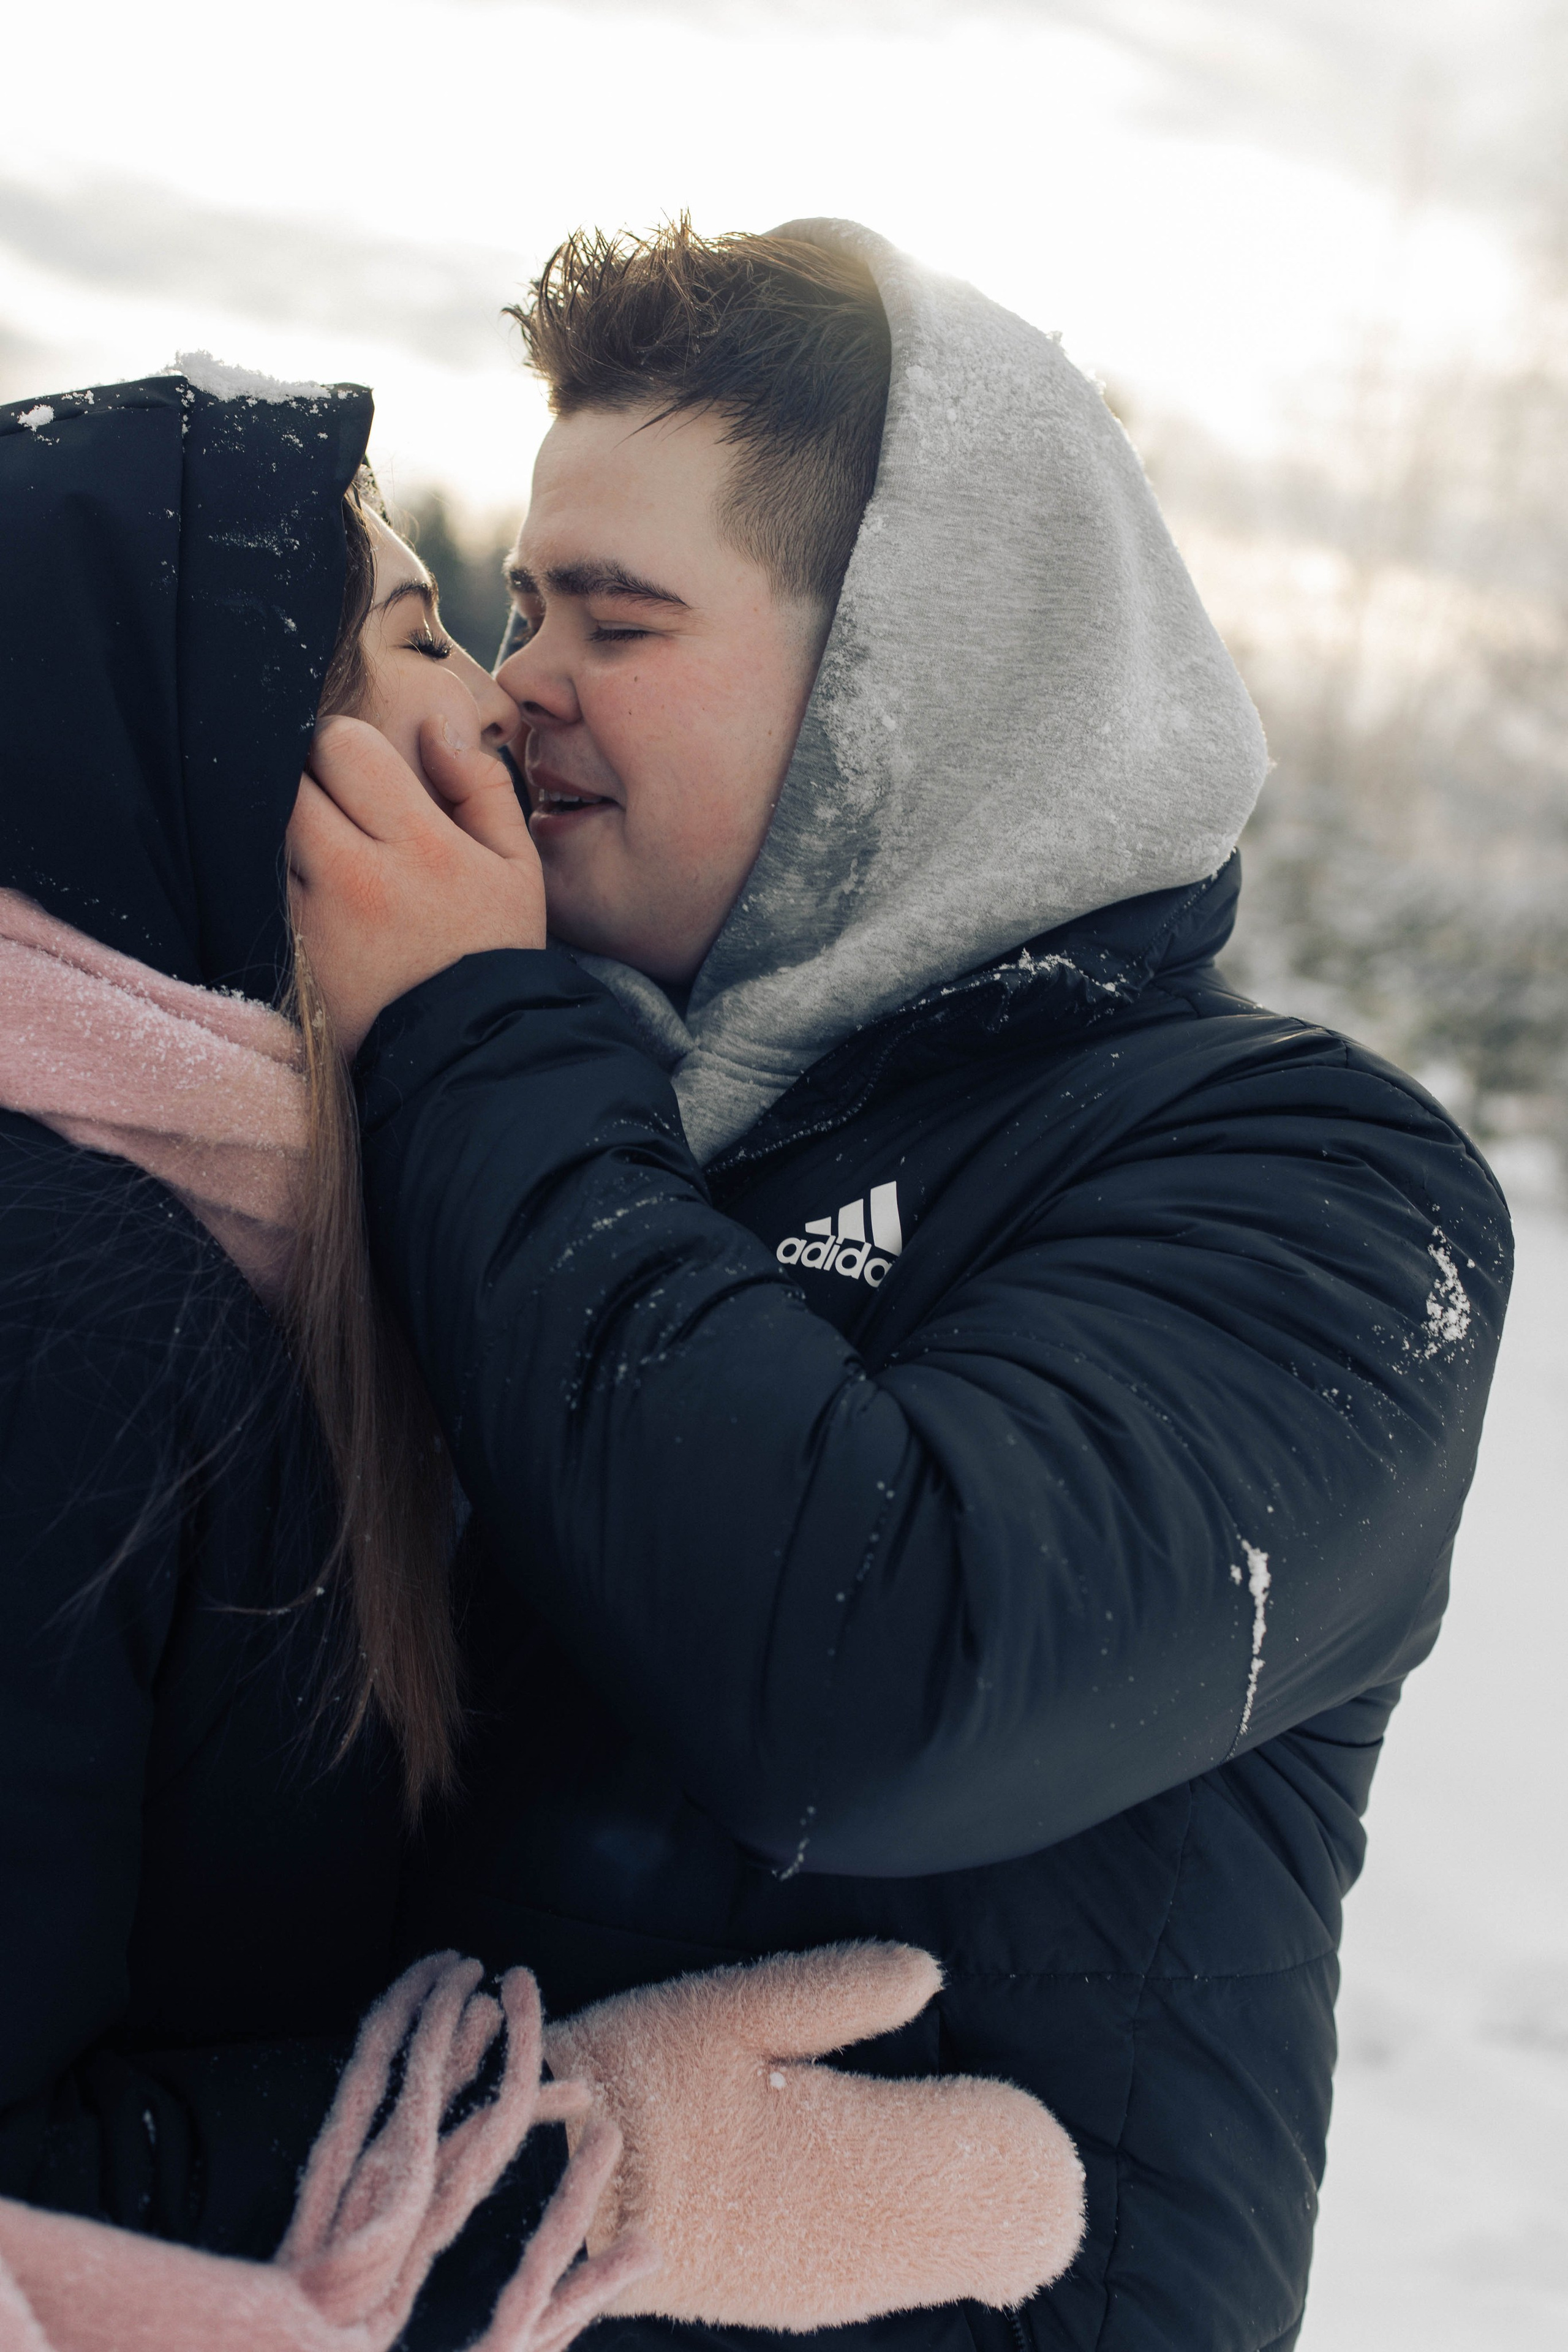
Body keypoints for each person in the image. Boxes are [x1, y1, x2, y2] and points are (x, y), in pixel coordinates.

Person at [288, 219, 1513, 2352]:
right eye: (517, 603)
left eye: (620, 616)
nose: (514, 687)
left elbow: (889, 1676)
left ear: (905, 673)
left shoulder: (1313, 1177)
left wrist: (484, 1040)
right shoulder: (583, 1111)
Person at [0, 362, 1084, 2351]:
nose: (497, 698)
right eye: (426, 633)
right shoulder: (61, 1309)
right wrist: (586, 2168)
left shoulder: (248, 1234)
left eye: (592, 621)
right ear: (227, 744)